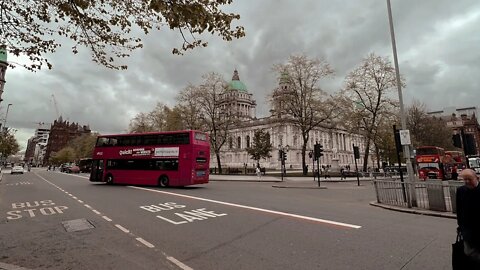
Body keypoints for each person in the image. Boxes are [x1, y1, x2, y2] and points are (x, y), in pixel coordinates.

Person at [456, 169, 480, 267]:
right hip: (468, 232)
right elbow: (459, 211)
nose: (466, 182)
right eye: (464, 179)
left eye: (469, 179)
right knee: (470, 256)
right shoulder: (461, 191)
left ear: (477, 178)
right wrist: (460, 227)